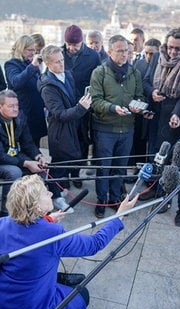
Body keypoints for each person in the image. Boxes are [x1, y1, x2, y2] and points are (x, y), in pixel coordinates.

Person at [0, 174, 138, 309]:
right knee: (81, 298)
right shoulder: (52, 233)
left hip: (0, 307)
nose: (49, 193)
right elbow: (94, 243)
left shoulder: (1, 224)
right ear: (36, 206)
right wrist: (119, 216)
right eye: (44, 192)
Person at [90, 35, 148, 218]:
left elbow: (140, 96)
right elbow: (95, 101)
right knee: (103, 167)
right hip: (105, 129)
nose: (125, 55)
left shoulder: (134, 73)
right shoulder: (99, 72)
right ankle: (101, 200)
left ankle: (115, 200)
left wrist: (138, 106)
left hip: (127, 128)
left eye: (127, 51)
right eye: (120, 51)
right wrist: (113, 108)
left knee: (120, 167)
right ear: (109, 52)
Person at [141, 27, 180, 215]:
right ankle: (152, 188)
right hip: (155, 114)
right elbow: (146, 81)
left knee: (169, 157)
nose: (172, 52)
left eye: (177, 49)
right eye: (170, 47)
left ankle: (164, 195)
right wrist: (152, 92)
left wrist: (177, 114)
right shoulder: (156, 57)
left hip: (173, 119)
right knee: (153, 153)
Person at [0, 89, 45, 216]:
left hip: (10, 153)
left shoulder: (20, 116)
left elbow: (27, 142)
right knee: (14, 172)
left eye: (16, 105)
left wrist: (38, 155)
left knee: (41, 167)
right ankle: (6, 213)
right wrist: (26, 163)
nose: (15, 109)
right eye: (11, 106)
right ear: (0, 107)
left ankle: (32, 207)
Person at [38, 45, 92, 211]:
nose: (62, 64)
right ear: (47, 63)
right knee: (59, 165)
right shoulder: (47, 87)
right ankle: (55, 196)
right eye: (57, 62)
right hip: (60, 131)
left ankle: (59, 191)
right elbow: (59, 114)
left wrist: (81, 100)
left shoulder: (67, 74)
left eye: (62, 60)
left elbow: (74, 96)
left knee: (70, 161)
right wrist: (81, 108)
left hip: (74, 126)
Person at [62, 24, 101, 188]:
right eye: (68, 45)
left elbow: (97, 82)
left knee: (82, 141)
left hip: (84, 106)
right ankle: (64, 175)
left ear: (82, 42)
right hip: (64, 104)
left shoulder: (93, 56)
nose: (71, 48)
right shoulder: (59, 53)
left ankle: (76, 173)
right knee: (64, 142)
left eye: (75, 45)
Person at [5, 35, 47, 148]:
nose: (33, 53)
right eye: (30, 50)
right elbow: (16, 82)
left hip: (36, 113)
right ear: (21, 49)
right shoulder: (11, 64)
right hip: (23, 115)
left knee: (35, 148)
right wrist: (33, 66)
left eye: (34, 50)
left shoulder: (31, 64)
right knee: (25, 149)